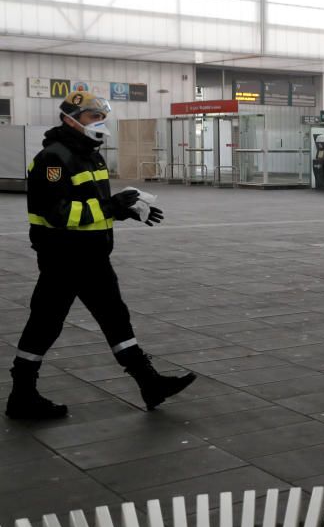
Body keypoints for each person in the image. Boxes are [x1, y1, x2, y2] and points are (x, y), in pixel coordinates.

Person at [7, 92, 195, 420]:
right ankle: (22, 395)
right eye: (94, 116)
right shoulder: (54, 158)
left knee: (114, 317)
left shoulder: (90, 156)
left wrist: (126, 211)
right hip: (63, 259)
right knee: (45, 324)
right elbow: (58, 213)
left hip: (91, 257)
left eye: (101, 115)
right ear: (71, 119)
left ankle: (149, 383)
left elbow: (91, 208)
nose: (101, 122)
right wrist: (113, 205)